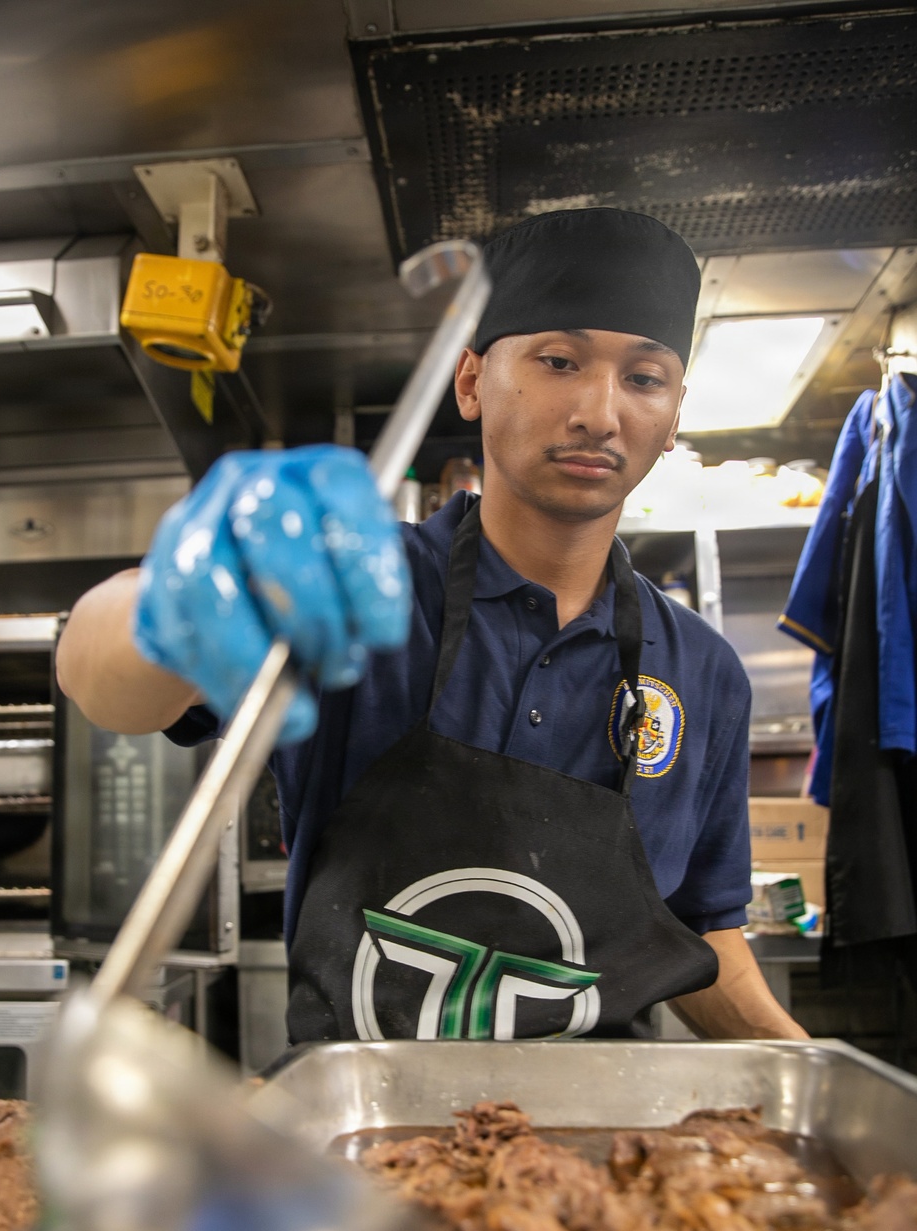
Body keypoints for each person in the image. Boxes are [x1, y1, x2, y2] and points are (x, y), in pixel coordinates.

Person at [58, 207, 807, 1044]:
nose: (600, 412)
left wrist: (820, 1083)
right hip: (366, 1126)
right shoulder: (356, 590)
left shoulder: (703, 671)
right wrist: (170, 598)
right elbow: (104, 684)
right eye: (559, 361)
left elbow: (702, 934)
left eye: (644, 378)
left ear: (672, 420)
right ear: (471, 382)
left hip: (604, 1143)